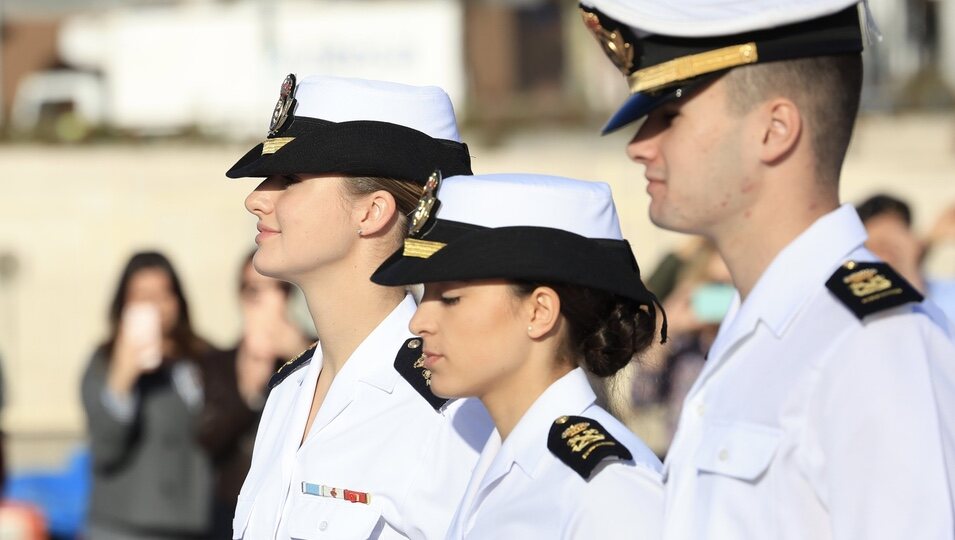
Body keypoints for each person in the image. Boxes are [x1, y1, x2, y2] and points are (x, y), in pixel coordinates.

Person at [579, 0, 955, 538]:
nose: (639, 145)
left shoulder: (874, 346)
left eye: (670, 114)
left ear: (775, 129)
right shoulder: (752, 330)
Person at [226, 74, 492, 539]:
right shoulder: (288, 392)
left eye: (290, 179)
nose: (256, 198)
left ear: (371, 211)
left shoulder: (452, 411)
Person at [371, 173, 666, 539]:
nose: (419, 322)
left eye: (450, 298)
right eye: (425, 294)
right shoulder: (496, 460)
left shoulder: (607, 490)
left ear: (539, 312)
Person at [81, 251, 214, 539]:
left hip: (194, 523)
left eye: (162, 294)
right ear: (124, 305)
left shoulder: (203, 359)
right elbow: (104, 449)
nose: (154, 306)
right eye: (142, 296)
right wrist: (122, 380)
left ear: (177, 300)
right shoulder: (105, 360)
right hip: (121, 525)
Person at [198, 251, 311, 538]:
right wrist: (248, 390)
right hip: (231, 507)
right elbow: (207, 440)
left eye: (279, 287)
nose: (266, 301)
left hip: (297, 508)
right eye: (253, 291)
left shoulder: (317, 353)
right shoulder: (219, 362)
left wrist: (300, 355)